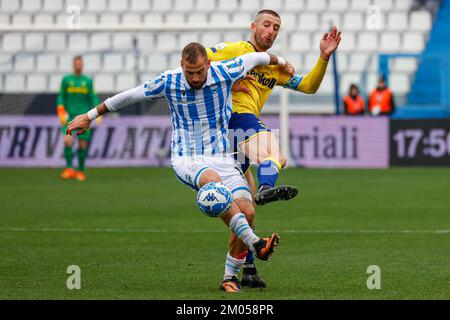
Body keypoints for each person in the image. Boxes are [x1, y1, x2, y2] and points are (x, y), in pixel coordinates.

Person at [66, 43, 289, 293]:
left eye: (199, 72)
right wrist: (90, 115)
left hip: (222, 156)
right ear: (182, 65)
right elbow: (130, 95)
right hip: (187, 157)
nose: (194, 78)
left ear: (208, 65)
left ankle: (230, 277)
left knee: (247, 212)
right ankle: (256, 243)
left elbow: (259, 57)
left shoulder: (226, 70)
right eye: (189, 72)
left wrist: (281, 61)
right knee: (214, 185)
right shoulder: (169, 80)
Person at [206, 9, 341, 287]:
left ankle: (248, 271)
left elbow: (308, 86)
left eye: (276, 28)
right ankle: (268, 188)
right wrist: (227, 76)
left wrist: (323, 57)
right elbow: (199, 57)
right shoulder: (239, 50)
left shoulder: (272, 68)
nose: (271, 31)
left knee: (247, 213)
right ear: (253, 26)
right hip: (235, 120)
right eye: (266, 24)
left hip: (237, 132)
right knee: (275, 156)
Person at [57, 55, 101, 181]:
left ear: (82, 65)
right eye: (76, 64)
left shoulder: (87, 81)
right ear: (73, 65)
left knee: (82, 144)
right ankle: (70, 169)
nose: (78, 66)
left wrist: (98, 112)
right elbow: (61, 96)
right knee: (67, 140)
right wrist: (60, 109)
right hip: (70, 116)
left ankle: (80, 170)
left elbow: (93, 97)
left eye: (80, 64)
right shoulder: (66, 80)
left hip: (83, 117)